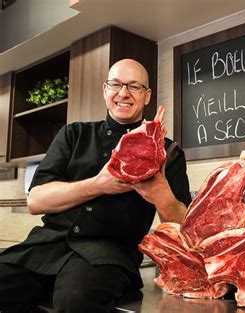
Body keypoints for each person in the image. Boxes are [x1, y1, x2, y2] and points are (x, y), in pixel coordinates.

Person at [0, 59, 192, 313]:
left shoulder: (169, 151)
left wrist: (162, 197)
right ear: (105, 90)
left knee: (74, 301)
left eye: (134, 86)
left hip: (108, 257)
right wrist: (98, 184)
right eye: (116, 84)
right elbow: (36, 202)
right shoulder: (73, 134)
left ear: (147, 97)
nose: (123, 93)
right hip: (46, 246)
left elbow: (186, 228)